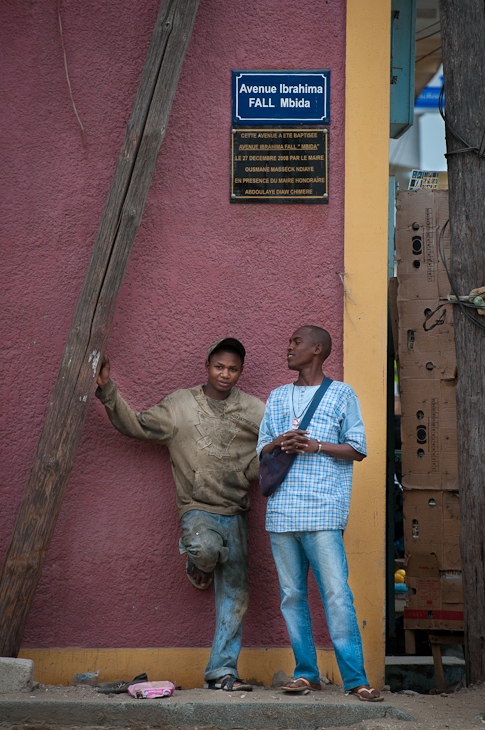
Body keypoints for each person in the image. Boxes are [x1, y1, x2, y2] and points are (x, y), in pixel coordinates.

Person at [95, 338, 265, 692]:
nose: (225, 374)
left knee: (236, 596)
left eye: (233, 369)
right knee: (203, 549)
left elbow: (274, 446)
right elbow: (137, 425)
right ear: (207, 366)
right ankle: (197, 563)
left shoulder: (254, 410)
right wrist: (108, 390)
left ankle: (222, 673)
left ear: (240, 372)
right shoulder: (180, 405)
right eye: (219, 366)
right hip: (197, 509)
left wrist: (256, 467)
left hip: (235, 512)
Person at [257, 325, 382, 702]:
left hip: (323, 511)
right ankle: (306, 674)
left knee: (336, 594)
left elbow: (358, 448)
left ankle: (356, 679)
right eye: (289, 340)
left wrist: (315, 445)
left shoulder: (342, 394)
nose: (289, 346)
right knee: (292, 596)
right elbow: (262, 449)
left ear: (317, 350)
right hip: (281, 513)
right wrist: (280, 441)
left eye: (296, 342)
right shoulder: (277, 397)